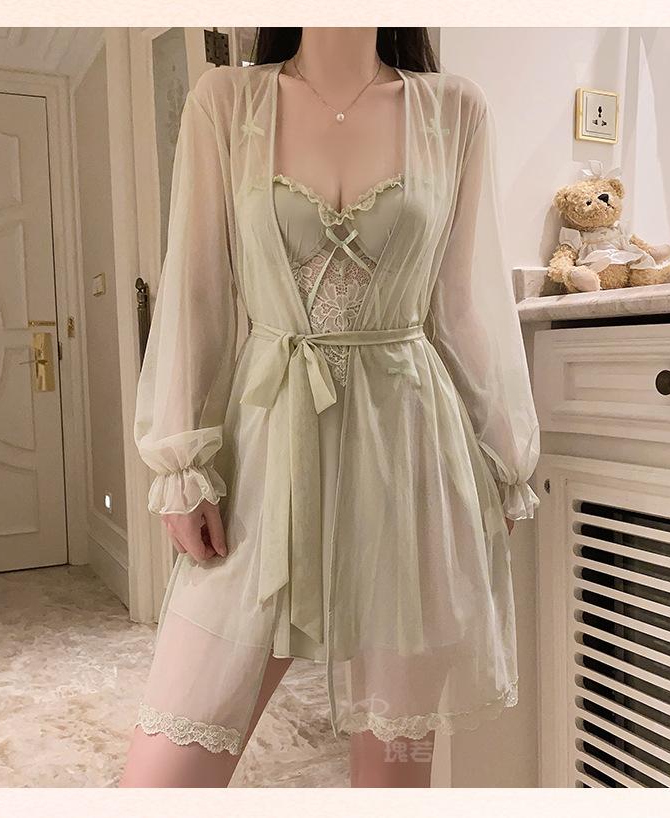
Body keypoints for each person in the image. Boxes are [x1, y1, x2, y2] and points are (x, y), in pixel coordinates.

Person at [120, 26, 540, 788]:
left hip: (410, 455)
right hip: (265, 448)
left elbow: (463, 306)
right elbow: (196, 294)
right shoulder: (227, 102)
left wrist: (504, 462)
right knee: (166, 772)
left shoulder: (455, 110)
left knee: (393, 771)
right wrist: (182, 463)